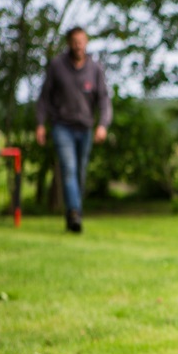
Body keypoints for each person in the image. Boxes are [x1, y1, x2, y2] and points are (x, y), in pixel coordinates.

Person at [36, 27, 112, 233]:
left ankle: (72, 213)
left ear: (86, 42)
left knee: (79, 173)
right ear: (69, 43)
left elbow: (104, 99)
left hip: (85, 127)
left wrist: (103, 125)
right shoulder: (57, 66)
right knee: (68, 169)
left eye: (82, 41)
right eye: (75, 41)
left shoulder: (95, 69)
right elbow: (44, 97)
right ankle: (75, 213)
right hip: (62, 126)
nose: (78, 45)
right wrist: (40, 124)